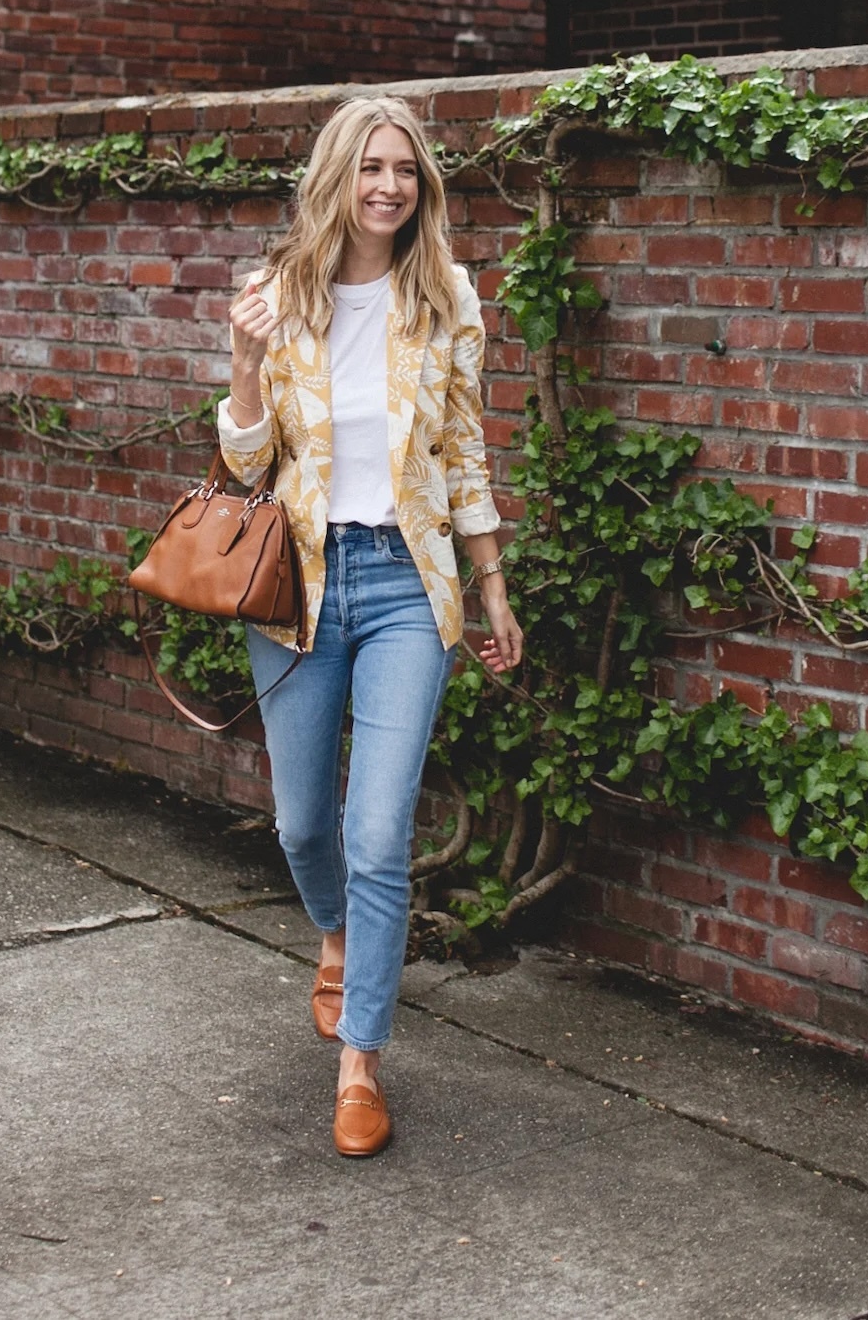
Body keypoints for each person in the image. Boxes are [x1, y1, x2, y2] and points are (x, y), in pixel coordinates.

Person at [218, 94, 523, 1158]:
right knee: (305, 825)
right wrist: (245, 364)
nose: (388, 185)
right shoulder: (276, 293)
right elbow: (247, 467)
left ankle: (360, 1064)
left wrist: (489, 584)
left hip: (405, 585)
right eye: (369, 168)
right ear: (336, 177)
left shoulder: (445, 298)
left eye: (404, 169)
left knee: (379, 829)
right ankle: (337, 938)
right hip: (296, 589)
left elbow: (464, 452)